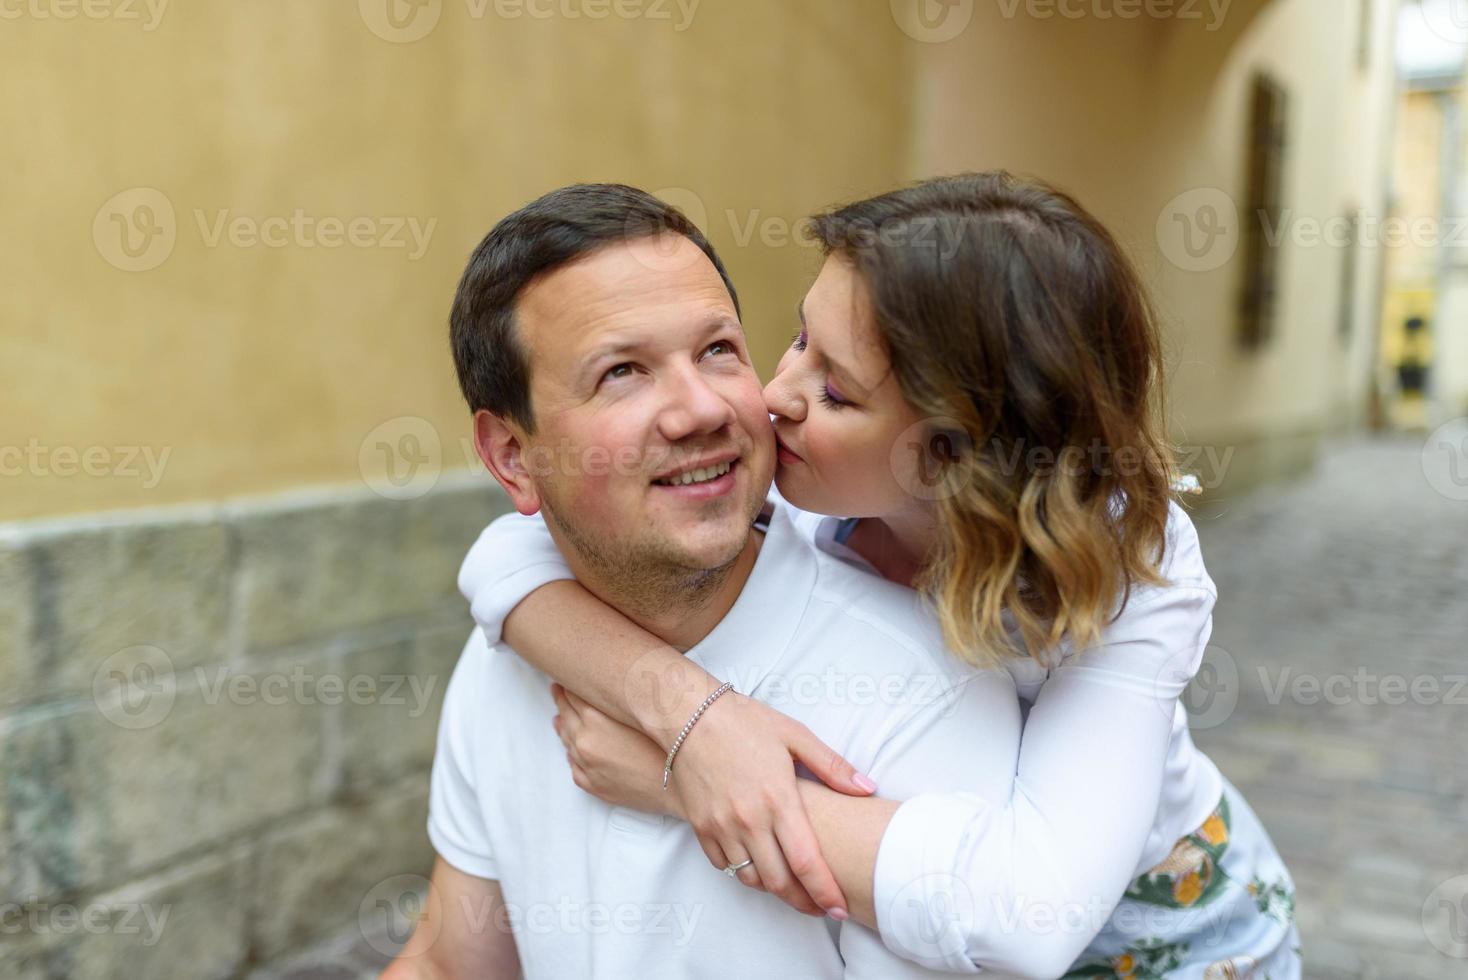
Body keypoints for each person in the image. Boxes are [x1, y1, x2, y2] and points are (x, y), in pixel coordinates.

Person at [456, 173, 1302, 977]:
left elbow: (1024, 916)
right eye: (796, 339)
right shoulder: (801, 478)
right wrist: (689, 713)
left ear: (951, 453)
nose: (772, 395)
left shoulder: (1128, 571)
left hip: (1173, 943)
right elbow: (507, 553)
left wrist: (688, 783)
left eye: (837, 390)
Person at [383, 182, 1026, 980]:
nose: (701, 410)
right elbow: (451, 964)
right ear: (514, 457)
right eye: (622, 372)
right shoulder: (512, 653)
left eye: (718, 350)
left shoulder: (930, 693)